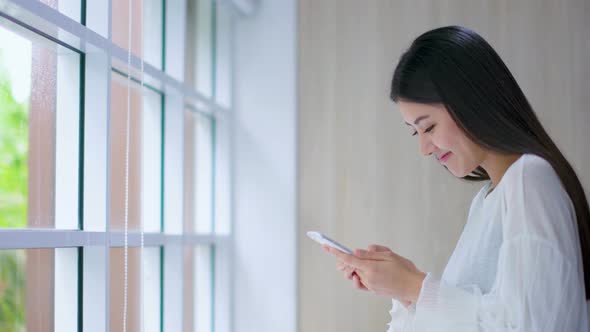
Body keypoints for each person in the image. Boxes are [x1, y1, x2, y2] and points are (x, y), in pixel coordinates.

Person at [323, 25, 590, 331]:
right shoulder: (487, 200)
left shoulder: (529, 179)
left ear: (470, 101)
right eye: (415, 132)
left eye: (429, 127)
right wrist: (404, 290)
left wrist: (415, 286)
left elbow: (527, 325)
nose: (424, 148)